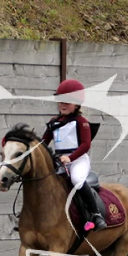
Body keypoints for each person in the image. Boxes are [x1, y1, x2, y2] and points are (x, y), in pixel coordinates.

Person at [41, 79, 107, 231]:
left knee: (76, 180)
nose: (62, 105)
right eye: (60, 101)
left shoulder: (81, 121)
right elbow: (43, 142)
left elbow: (86, 145)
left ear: (77, 104)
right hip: (60, 161)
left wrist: (70, 158)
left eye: (67, 102)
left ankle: (96, 214)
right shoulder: (54, 122)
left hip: (77, 160)